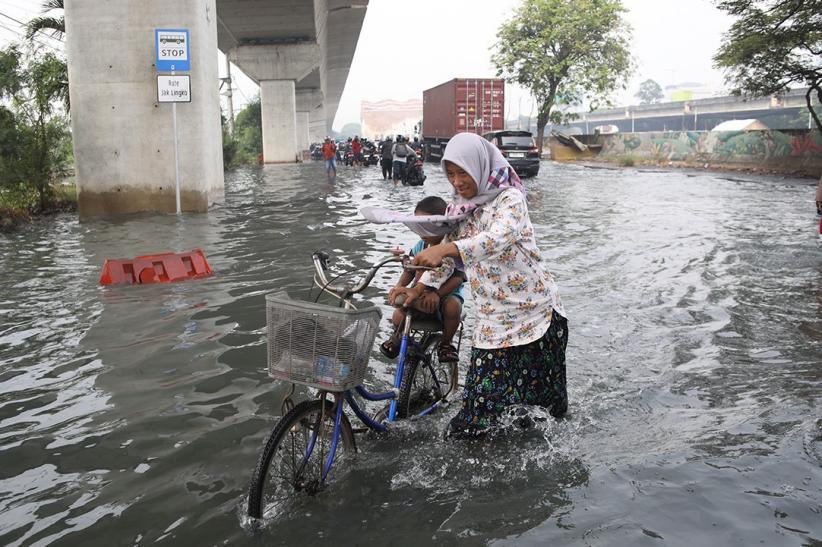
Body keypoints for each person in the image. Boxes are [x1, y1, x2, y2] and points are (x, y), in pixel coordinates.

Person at [409, 132, 568, 435]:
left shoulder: (510, 199)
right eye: (450, 174)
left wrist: (446, 248)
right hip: (493, 324)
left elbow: (496, 238)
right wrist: (417, 289)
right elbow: (444, 262)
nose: (456, 182)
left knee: (541, 418)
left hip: (537, 317)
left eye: (462, 172)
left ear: (480, 166)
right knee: (474, 423)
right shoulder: (461, 210)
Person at [380, 196, 465, 364]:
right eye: (419, 227)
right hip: (419, 295)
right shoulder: (420, 246)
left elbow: (459, 277)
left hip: (446, 295)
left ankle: (446, 344)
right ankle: (399, 337)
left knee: (453, 307)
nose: (422, 232)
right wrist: (399, 286)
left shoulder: (451, 246)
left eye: (427, 227)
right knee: (397, 315)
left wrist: (438, 295)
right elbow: (409, 270)